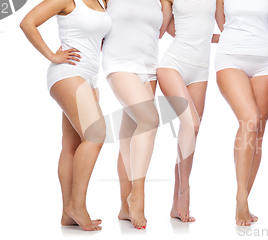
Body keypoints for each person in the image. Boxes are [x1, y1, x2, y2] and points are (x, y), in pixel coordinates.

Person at [20, 0, 112, 231]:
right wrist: (52, 55)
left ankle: (67, 214)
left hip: (89, 76)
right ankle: (77, 205)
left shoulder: (101, 2)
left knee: (72, 145)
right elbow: (27, 23)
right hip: (68, 72)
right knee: (95, 135)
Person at [102, 0, 171, 230]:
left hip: (149, 67)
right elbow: (94, 19)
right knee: (150, 120)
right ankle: (137, 195)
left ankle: (124, 207)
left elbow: (164, 31)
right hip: (119, 64)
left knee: (129, 136)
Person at [215, 0, 268, 226]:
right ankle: (241, 197)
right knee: (250, 119)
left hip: (267, 60)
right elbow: (222, 22)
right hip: (231, 56)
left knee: (258, 131)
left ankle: (244, 199)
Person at [157, 0, 219, 223]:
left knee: (190, 133)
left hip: (200, 69)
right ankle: (184, 190)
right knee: (191, 124)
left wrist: (218, 39)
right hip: (173, 63)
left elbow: (218, 26)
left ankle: (175, 204)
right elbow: (164, 29)